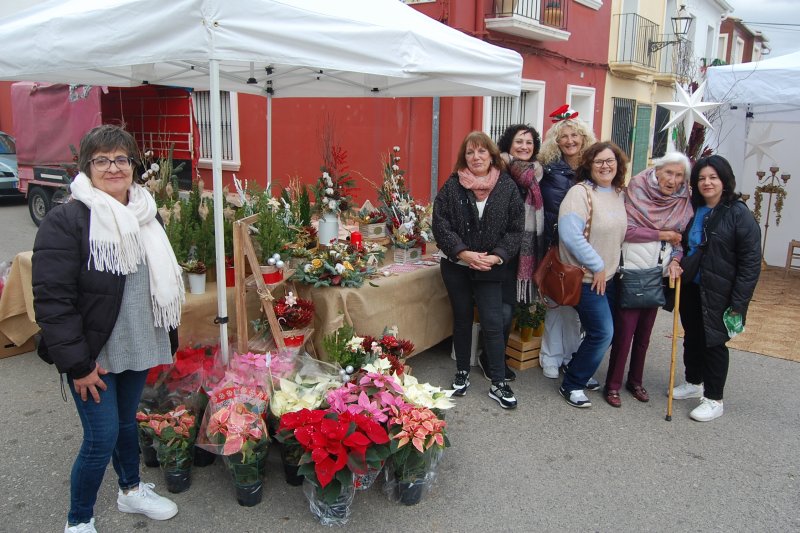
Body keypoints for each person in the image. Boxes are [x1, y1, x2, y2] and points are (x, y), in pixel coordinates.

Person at [32, 125, 185, 533]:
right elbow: (53, 301)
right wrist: (78, 364)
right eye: (102, 160)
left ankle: (131, 490)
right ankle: (78, 519)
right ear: (87, 166)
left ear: (134, 165)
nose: (113, 168)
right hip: (93, 352)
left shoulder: (147, 214)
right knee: (100, 438)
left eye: (122, 159)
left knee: (124, 423)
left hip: (136, 341)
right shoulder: (68, 220)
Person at [433, 131, 524, 409]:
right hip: (457, 267)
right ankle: (462, 372)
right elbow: (440, 224)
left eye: (482, 151)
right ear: (464, 157)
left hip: (491, 268)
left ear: (492, 155)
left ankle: (498, 382)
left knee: (493, 324)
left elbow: (515, 229)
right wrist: (462, 252)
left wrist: (496, 257)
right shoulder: (452, 186)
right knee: (461, 320)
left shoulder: (506, 187)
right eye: (470, 152)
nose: (476, 157)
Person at [672, 155, 761, 422]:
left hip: (721, 290)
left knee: (714, 342)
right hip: (691, 287)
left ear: (725, 180)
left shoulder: (738, 213)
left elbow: (750, 263)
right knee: (693, 336)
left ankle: (714, 398)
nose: (707, 183)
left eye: (713, 177)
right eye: (701, 178)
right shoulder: (693, 209)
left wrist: (739, 302)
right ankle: (693, 381)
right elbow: (684, 245)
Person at [604, 152, 694, 407]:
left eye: (678, 175)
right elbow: (627, 231)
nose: (673, 180)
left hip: (658, 273)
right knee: (625, 333)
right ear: (658, 171)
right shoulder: (636, 189)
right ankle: (612, 385)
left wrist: (676, 259)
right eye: (669, 173)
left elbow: (680, 240)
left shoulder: (683, 199)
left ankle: (635, 381)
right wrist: (662, 234)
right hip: (632, 270)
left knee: (644, 335)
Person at [557, 141, 627, 408]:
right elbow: (570, 235)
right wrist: (597, 265)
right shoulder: (580, 193)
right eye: (599, 161)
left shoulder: (617, 193)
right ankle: (572, 383)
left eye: (610, 161)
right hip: (587, 278)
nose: (605, 166)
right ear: (589, 165)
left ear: (618, 165)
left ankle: (577, 368)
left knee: (600, 331)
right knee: (602, 332)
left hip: (609, 277)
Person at [475, 123, 543, 382]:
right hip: (499, 252)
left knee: (509, 311)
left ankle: (495, 357)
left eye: (529, 142)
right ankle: (490, 359)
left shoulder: (536, 174)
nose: (524, 147)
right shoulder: (498, 171)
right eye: (518, 142)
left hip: (522, 257)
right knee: (500, 313)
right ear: (508, 145)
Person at [537, 107, 597, 380]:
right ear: (556, 141)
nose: (570, 140)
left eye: (575, 135)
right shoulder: (548, 168)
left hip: (586, 244)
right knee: (556, 300)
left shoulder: (594, 168)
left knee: (576, 305)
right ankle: (550, 356)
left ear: (584, 138)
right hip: (555, 244)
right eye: (564, 136)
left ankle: (571, 356)